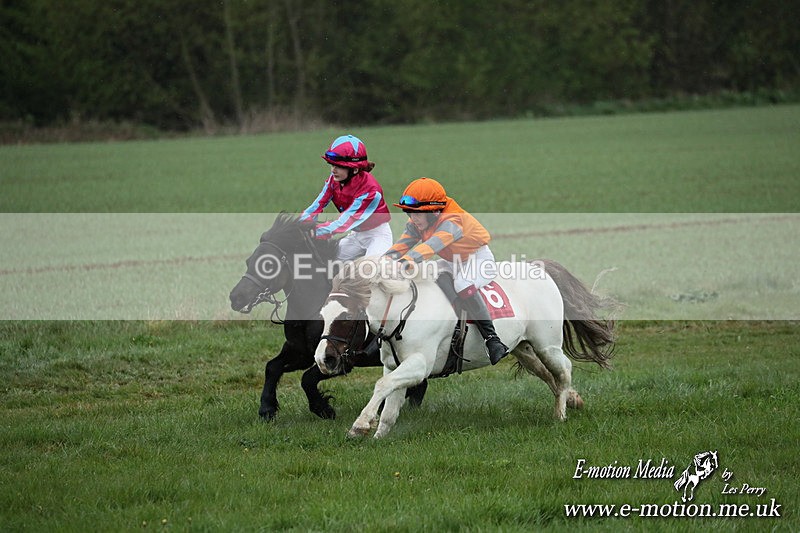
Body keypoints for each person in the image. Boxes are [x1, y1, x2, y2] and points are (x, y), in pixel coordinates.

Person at [384, 177, 510, 364]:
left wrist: (404, 263)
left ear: (434, 211)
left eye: (417, 213)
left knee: (462, 283)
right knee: (424, 274)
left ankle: (493, 340)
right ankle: (452, 326)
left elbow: (430, 248)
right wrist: (380, 263)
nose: (412, 218)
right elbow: (401, 246)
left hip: (479, 259)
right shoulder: (419, 222)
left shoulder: (453, 220)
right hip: (453, 261)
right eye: (409, 212)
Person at [300, 135, 392, 261]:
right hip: (356, 235)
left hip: (377, 236)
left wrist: (315, 232)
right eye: (332, 165)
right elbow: (317, 205)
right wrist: (299, 225)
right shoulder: (334, 180)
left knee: (371, 271)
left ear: (354, 169)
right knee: (327, 262)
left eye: (338, 166)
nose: (333, 170)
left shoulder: (371, 192)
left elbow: (344, 222)